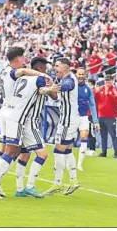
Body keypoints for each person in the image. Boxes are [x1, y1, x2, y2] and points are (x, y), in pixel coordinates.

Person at [0, 47, 54, 198]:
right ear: (17, 59)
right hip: (15, 115)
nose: (25, 61)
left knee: (13, 151)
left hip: (9, 112)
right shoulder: (15, 72)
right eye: (23, 58)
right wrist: (43, 75)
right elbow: (24, 73)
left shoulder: (10, 73)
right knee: (8, 151)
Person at [14, 57, 58, 197]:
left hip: (20, 119)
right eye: (45, 68)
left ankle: (20, 189)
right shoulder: (38, 79)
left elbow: (49, 94)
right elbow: (49, 94)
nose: (47, 71)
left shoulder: (23, 78)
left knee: (24, 154)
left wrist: (49, 87)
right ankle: (30, 185)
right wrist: (50, 85)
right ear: (39, 69)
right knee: (43, 154)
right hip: (30, 121)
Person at [44, 57, 80, 196]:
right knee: (68, 151)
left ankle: (57, 183)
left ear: (66, 67)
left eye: (57, 66)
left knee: (58, 150)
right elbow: (57, 93)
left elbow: (67, 86)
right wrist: (51, 84)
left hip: (67, 120)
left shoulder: (70, 79)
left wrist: (50, 88)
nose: (55, 68)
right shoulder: (63, 79)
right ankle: (74, 180)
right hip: (68, 119)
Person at [76, 68, 100, 171]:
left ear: (85, 75)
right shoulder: (71, 86)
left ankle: (79, 164)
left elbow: (92, 105)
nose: (81, 76)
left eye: (83, 74)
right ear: (76, 75)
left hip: (84, 116)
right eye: (79, 74)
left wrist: (95, 121)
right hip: (72, 116)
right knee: (67, 142)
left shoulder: (88, 89)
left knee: (84, 136)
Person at [95, 74, 117, 158]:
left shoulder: (115, 90)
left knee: (113, 135)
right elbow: (95, 100)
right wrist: (95, 91)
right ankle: (103, 152)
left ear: (112, 81)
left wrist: (110, 95)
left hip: (111, 116)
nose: (107, 82)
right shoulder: (101, 89)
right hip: (101, 115)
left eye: (109, 80)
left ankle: (116, 153)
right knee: (103, 135)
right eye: (106, 80)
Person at [87, 79, 97, 155]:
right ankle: (90, 148)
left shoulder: (94, 92)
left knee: (91, 132)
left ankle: (93, 149)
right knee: (88, 131)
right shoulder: (91, 91)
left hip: (92, 114)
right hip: (88, 113)